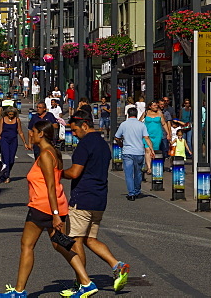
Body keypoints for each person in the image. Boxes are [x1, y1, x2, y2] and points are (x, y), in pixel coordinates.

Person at [0, 120, 96, 298]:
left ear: (41, 134)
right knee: (61, 245)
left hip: (43, 207)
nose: (31, 134)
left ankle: (19, 292)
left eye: (33, 132)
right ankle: (86, 282)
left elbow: (51, 186)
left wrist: (55, 215)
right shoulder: (53, 152)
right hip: (54, 205)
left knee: (27, 245)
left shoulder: (45, 155)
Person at [60, 112, 130, 294]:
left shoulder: (84, 145)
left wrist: (57, 172)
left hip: (82, 198)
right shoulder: (102, 144)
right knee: (90, 239)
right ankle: (117, 265)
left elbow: (75, 173)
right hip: (99, 198)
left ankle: (83, 283)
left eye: (75, 130)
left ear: (84, 125)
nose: (73, 134)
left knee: (75, 241)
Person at [114, 107, 153, 200]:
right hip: (139, 152)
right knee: (138, 173)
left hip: (127, 151)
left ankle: (131, 193)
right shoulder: (141, 125)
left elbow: (116, 137)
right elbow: (147, 138)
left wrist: (121, 144)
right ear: (136, 114)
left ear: (128, 114)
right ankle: (137, 191)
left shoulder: (123, 124)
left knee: (128, 174)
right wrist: (152, 149)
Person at [0, 104, 28, 183]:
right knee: (6, 158)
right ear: (7, 113)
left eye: (12, 114)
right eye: (9, 114)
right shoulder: (3, 119)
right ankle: (6, 176)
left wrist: (25, 143)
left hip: (13, 140)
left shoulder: (17, 120)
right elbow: (0, 132)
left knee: (11, 160)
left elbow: (20, 132)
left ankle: (5, 172)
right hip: (4, 140)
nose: (11, 116)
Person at [140, 100, 170, 173]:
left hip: (157, 134)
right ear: (150, 106)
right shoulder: (146, 113)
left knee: (154, 150)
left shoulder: (160, 113)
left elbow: (164, 124)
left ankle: (154, 165)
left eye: (156, 105)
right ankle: (149, 167)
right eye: (154, 105)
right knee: (147, 150)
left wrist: (168, 133)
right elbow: (139, 121)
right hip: (147, 134)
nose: (156, 106)